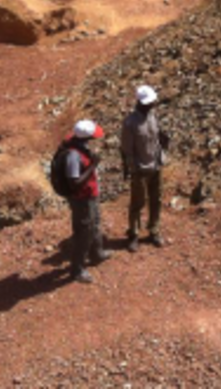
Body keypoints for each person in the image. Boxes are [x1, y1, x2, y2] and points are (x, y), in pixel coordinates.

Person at [64, 119, 111, 283]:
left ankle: (97, 253)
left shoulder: (79, 145)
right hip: (81, 200)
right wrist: (93, 166)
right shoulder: (73, 156)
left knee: (95, 223)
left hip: (90, 195)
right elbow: (74, 182)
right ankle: (77, 269)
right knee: (83, 233)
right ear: (86, 138)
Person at [121, 85, 167, 252]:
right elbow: (127, 150)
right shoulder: (130, 123)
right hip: (140, 169)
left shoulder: (153, 116)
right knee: (137, 203)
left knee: (156, 200)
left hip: (156, 165)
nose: (152, 105)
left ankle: (154, 230)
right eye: (149, 103)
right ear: (140, 103)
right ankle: (133, 234)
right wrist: (132, 169)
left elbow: (157, 138)